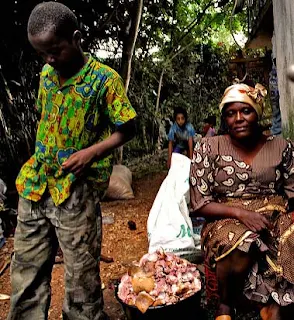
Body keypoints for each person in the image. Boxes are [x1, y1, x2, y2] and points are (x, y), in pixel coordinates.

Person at [8, 2, 136, 320]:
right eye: (42, 54)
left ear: (76, 38)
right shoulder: (47, 76)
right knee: (26, 268)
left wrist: (91, 153)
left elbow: (129, 127)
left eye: (55, 50)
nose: (50, 60)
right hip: (36, 184)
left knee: (81, 275)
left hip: (76, 190)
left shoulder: (104, 80)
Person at [190, 83, 294, 320]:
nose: (238, 118)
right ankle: (226, 305)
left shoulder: (281, 146)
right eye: (230, 113)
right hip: (225, 216)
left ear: (257, 112)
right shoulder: (208, 147)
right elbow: (199, 203)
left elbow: (292, 192)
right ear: (224, 118)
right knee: (242, 242)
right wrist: (242, 214)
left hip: (276, 214)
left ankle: (274, 304)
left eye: (245, 111)